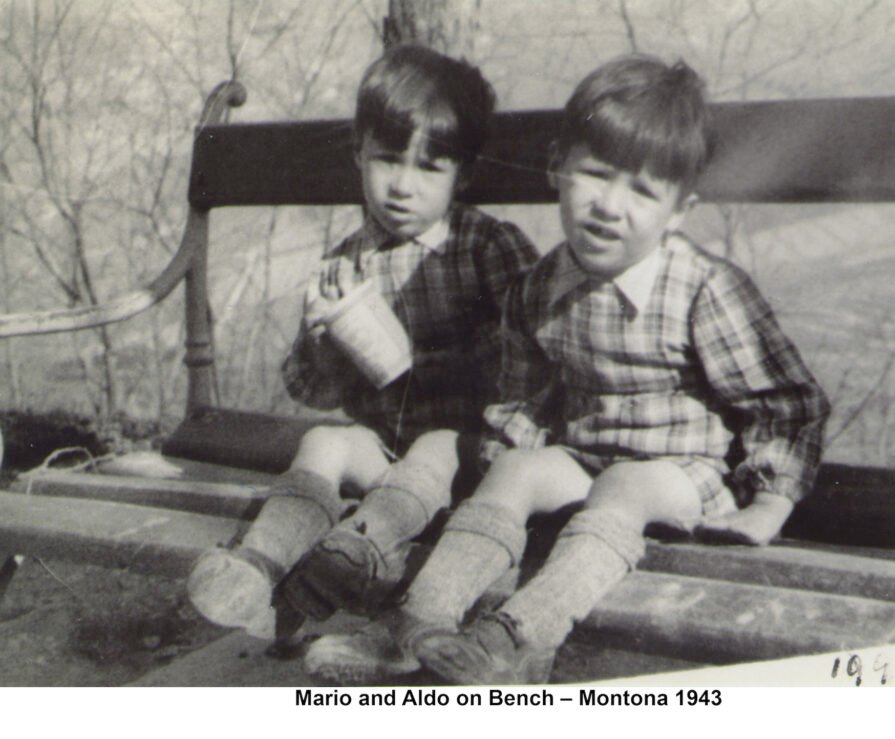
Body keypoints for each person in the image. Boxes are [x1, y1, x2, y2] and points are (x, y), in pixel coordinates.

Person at [302, 53, 830, 685]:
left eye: (642, 190)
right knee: (520, 468)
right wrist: (497, 472)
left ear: (680, 209)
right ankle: (416, 625)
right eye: (597, 175)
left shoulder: (702, 289)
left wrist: (768, 504)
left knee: (624, 489)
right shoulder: (541, 284)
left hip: (682, 473)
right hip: (584, 459)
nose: (611, 205)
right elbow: (523, 400)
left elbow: (789, 401)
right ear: (559, 168)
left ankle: (516, 638)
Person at [186, 44, 537, 639]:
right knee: (325, 439)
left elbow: (530, 363)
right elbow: (308, 389)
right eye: (387, 160)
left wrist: (412, 359)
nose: (402, 186)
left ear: (464, 174)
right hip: (383, 452)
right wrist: (327, 351)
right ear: (358, 154)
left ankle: (347, 558)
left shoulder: (486, 247)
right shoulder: (344, 265)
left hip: (470, 458)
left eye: (429, 168)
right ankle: (258, 562)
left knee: (441, 443)